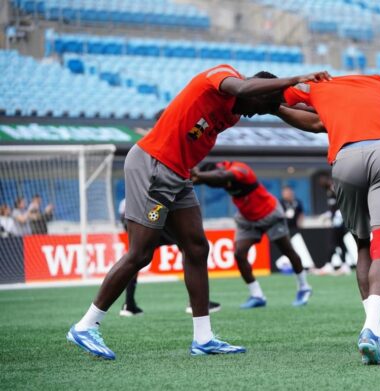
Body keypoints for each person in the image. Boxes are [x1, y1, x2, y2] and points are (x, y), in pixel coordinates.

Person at [66, 63, 331, 360]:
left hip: (177, 174)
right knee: (141, 253)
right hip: (153, 165)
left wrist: (332, 118)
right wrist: (296, 77)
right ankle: (86, 325)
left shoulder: (243, 106)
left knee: (196, 248)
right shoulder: (221, 76)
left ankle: (203, 338)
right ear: (256, 90)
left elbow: (309, 121)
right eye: (261, 108)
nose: (255, 115)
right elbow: (244, 88)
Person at [275, 74, 380, 365]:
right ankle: (372, 327)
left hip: (346, 156)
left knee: (362, 245)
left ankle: (376, 330)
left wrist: (274, 108)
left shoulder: (318, 85)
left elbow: (282, 100)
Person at [191, 161, 312, 308]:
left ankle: (304, 287)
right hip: (246, 218)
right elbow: (204, 179)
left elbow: (223, 175)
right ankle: (257, 295)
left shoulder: (240, 169)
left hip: (269, 214)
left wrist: (199, 175)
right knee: (239, 254)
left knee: (287, 250)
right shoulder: (217, 176)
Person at [117, 198, 221, 317]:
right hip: (156, 211)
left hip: (136, 215)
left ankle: (128, 304)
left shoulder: (131, 190)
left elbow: (124, 215)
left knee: (136, 256)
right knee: (188, 247)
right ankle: (195, 303)